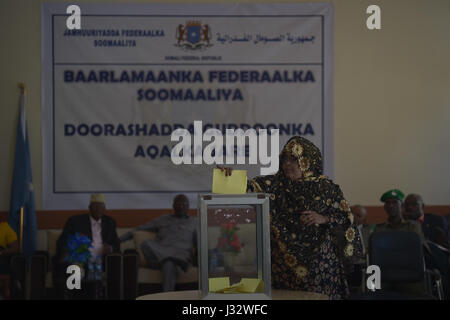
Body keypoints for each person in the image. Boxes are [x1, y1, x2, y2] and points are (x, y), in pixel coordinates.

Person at [219, 136, 361, 299]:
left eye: (293, 159)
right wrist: (228, 177)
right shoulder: (275, 184)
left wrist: (324, 218)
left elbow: (346, 217)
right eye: (284, 159)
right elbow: (248, 187)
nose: (287, 164)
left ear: (307, 160)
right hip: (284, 266)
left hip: (320, 264)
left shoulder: (326, 188)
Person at [119, 194, 197, 292]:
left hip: (181, 254)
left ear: (188, 207)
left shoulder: (194, 222)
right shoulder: (163, 219)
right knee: (146, 243)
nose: (181, 206)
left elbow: (200, 243)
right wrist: (118, 240)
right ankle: (172, 259)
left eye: (184, 204)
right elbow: (139, 229)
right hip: (162, 253)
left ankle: (167, 297)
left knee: (168, 264)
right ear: (173, 206)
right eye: (178, 204)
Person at [53, 194, 120, 298]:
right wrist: (69, 251)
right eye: (95, 206)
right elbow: (63, 241)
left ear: (105, 208)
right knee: (74, 266)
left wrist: (110, 248)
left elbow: (116, 244)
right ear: (89, 208)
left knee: (116, 263)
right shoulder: (75, 221)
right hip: (81, 258)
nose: (98, 209)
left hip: (103, 259)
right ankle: (74, 296)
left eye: (101, 206)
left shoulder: (110, 222)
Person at [373, 189, 430, 296]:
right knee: (372, 291)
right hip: (385, 273)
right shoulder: (379, 229)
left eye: (394, 202)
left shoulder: (413, 226)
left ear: (402, 206)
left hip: (408, 273)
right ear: (384, 207)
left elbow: (420, 250)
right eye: (387, 203)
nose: (391, 206)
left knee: (419, 294)